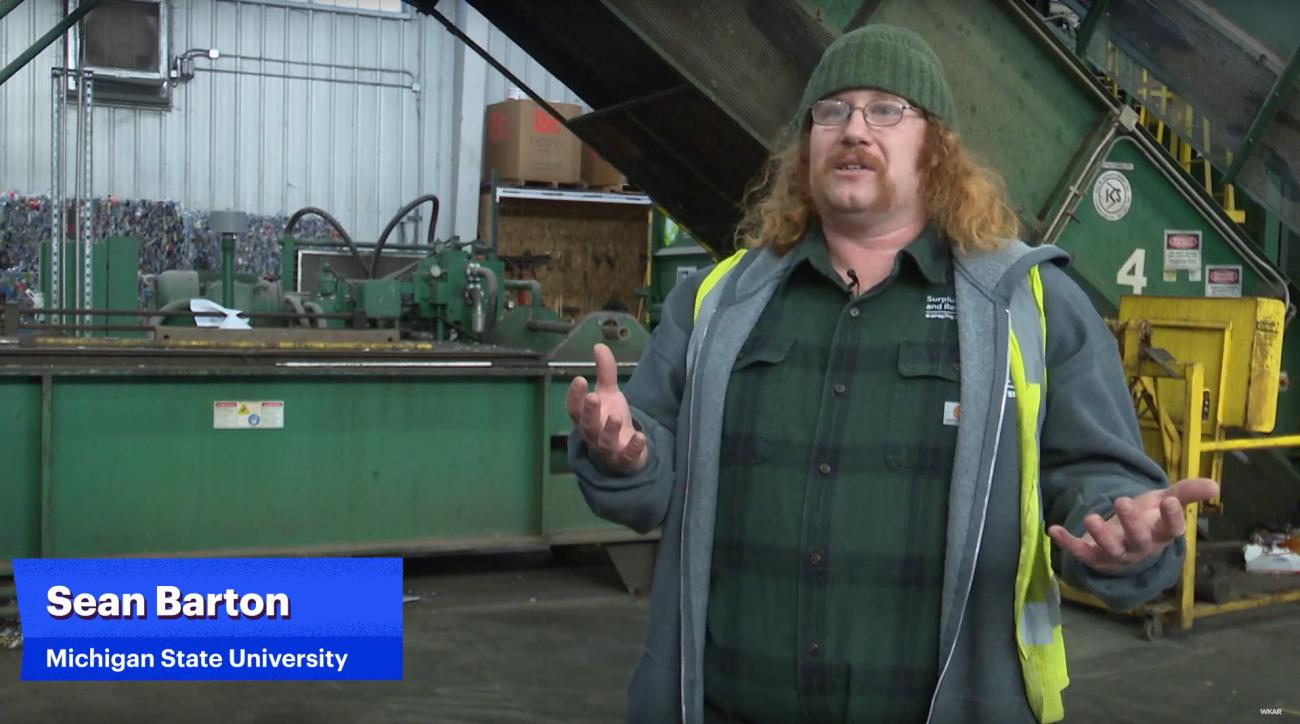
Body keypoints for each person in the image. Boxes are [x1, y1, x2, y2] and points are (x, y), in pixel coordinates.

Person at [566, 24, 1219, 724]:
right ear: (807, 147)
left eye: (885, 109)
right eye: (832, 111)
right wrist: (626, 453)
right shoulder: (719, 301)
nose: (854, 129)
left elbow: (1096, 475)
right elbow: (649, 477)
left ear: (935, 148)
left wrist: (1121, 534)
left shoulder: (1029, 305)